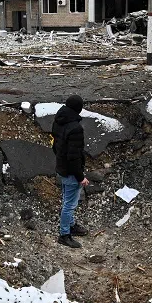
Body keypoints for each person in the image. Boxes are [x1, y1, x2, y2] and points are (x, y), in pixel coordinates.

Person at [52, 95, 90, 248]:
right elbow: (74, 157)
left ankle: (71, 225)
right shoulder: (75, 128)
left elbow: (55, 145)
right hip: (70, 171)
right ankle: (64, 234)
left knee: (67, 199)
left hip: (61, 167)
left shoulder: (59, 120)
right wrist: (80, 177)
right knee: (69, 204)